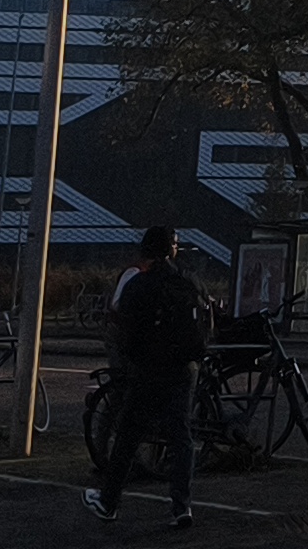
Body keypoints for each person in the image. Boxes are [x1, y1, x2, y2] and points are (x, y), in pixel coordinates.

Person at [88, 226, 208, 527]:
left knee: (128, 435)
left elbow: (125, 327)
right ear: (172, 250)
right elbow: (205, 321)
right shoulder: (188, 282)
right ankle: (182, 507)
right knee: (181, 437)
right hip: (183, 369)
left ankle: (109, 502)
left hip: (148, 369)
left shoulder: (139, 284)